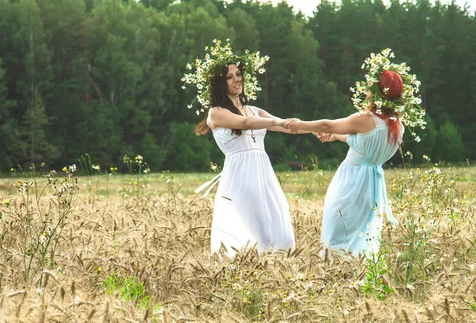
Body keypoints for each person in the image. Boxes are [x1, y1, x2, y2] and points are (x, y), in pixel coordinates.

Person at [285, 49, 424, 257]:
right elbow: (363, 146)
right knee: (363, 234)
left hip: (350, 181)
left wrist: (300, 125)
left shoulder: (365, 119)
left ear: (377, 93)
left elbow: (327, 124)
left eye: (370, 88)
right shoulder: (398, 126)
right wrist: (335, 137)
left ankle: (336, 274)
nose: (367, 92)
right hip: (373, 185)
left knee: (337, 230)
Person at [182, 40, 303, 257]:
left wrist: (314, 129)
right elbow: (246, 123)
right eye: (230, 76)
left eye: (239, 74)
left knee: (277, 220)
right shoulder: (216, 112)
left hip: (263, 172)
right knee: (253, 226)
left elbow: (286, 126)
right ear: (220, 83)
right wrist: (275, 122)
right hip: (240, 174)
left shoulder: (254, 109)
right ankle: (249, 270)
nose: (237, 79)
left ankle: (278, 268)